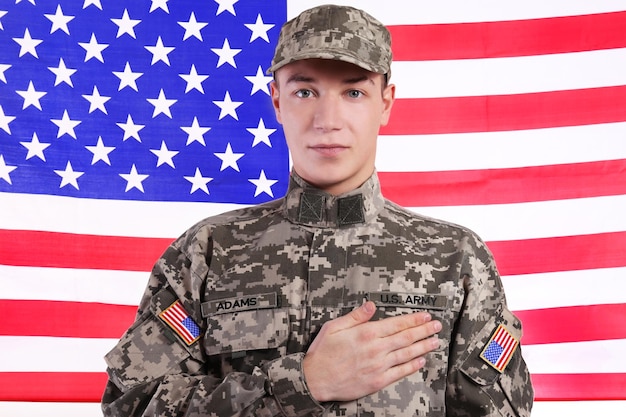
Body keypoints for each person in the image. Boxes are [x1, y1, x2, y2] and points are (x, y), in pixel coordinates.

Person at [102, 4, 534, 416]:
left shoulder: (455, 257)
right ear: (276, 101)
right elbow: (133, 403)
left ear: (385, 102)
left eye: (354, 91)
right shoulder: (208, 251)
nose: (328, 118)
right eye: (305, 91)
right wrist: (302, 381)